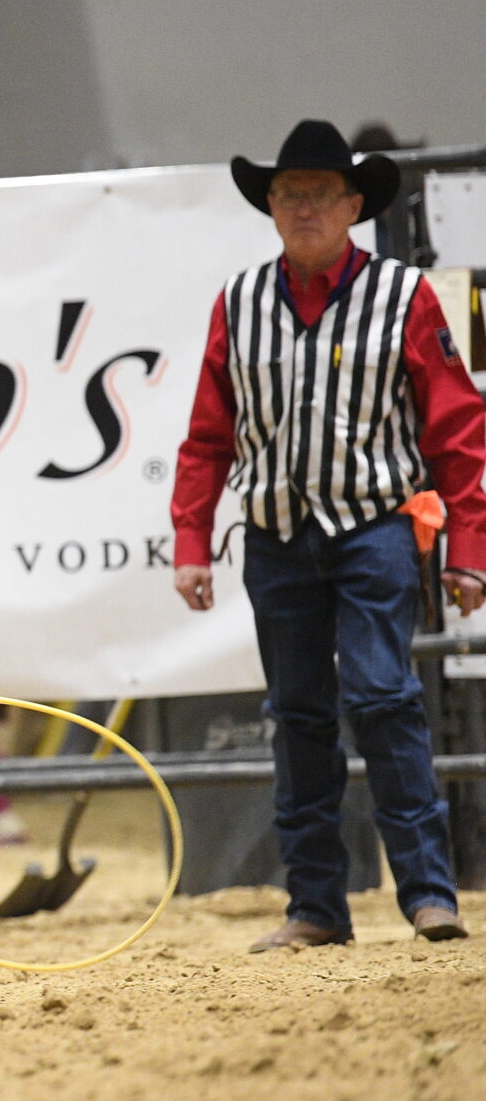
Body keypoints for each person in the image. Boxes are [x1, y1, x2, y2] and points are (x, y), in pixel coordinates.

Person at [173, 119, 479, 950]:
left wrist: (469, 551)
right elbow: (208, 436)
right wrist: (192, 539)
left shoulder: (405, 296)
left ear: (353, 205)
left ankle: (428, 892)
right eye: (288, 194)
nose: (303, 207)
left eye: (319, 194)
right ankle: (316, 903)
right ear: (270, 206)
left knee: (382, 695)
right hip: (276, 534)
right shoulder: (239, 303)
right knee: (298, 713)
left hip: (374, 526)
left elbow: (458, 431)